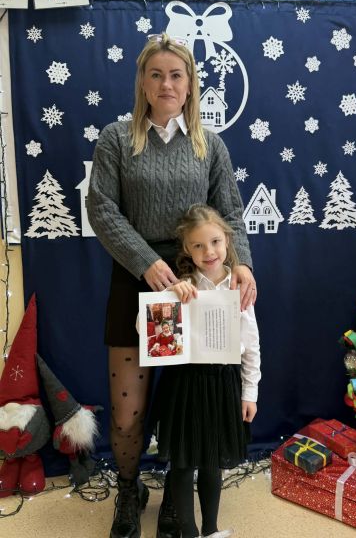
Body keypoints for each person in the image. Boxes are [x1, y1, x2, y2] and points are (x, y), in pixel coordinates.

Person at [87, 33, 257, 538]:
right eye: (156, 74)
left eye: (176, 75)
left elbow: (230, 213)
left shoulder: (210, 144)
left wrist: (243, 265)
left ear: (190, 85)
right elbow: (101, 209)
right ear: (143, 82)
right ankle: (128, 489)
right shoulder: (116, 138)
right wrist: (145, 262)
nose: (166, 83)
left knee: (188, 405)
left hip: (197, 287)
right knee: (127, 413)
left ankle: (176, 500)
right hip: (136, 282)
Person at [156, 204, 261, 538]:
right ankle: (189, 533)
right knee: (184, 462)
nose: (209, 252)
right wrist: (169, 297)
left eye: (215, 242)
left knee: (212, 461)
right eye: (198, 245)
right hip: (185, 384)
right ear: (187, 249)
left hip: (223, 383)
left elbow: (251, 346)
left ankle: (210, 530)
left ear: (227, 240)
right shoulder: (181, 286)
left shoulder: (239, 287)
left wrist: (249, 394)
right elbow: (145, 331)